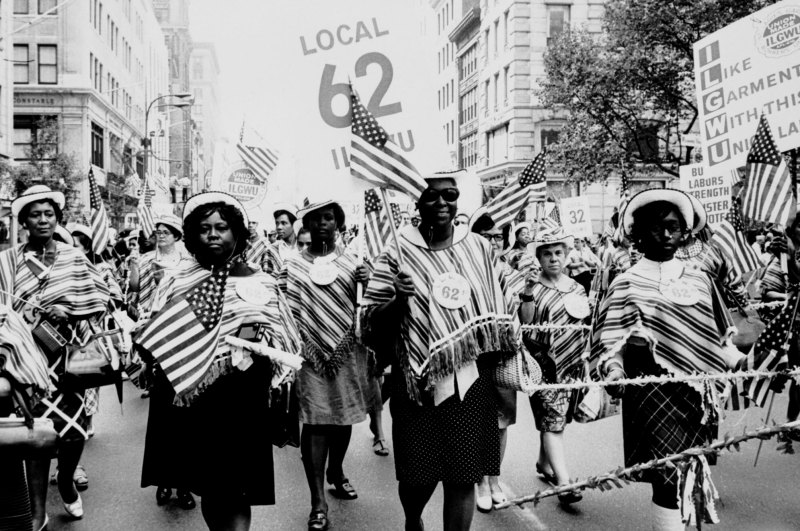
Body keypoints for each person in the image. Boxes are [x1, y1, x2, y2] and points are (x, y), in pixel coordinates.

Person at [363, 171, 527, 531]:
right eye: (431, 196)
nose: (441, 203)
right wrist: (396, 299)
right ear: (417, 202)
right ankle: (412, 519)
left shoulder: (479, 248)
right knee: (417, 478)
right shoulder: (396, 251)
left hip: (470, 380)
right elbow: (370, 323)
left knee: (462, 476)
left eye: (449, 195)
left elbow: (502, 306)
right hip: (415, 382)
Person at [137, 192, 302, 531]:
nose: (213, 234)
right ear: (193, 236)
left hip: (243, 399)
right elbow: (154, 334)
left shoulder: (261, 282)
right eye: (204, 228)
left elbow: (287, 339)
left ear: (237, 234)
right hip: (193, 399)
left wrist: (258, 342)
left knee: (237, 491)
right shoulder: (177, 280)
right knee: (212, 489)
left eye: (222, 227)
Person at [591, 189, 744, 531]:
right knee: (668, 475)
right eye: (657, 227)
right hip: (650, 389)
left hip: (697, 394)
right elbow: (608, 342)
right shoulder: (625, 283)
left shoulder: (702, 280)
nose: (666, 234)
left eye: (673, 227)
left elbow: (721, 340)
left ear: (684, 231)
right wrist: (614, 369)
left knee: (691, 468)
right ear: (639, 233)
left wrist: (746, 364)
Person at [1, 185, 110, 527]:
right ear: (24, 221)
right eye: (36, 214)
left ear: (57, 218)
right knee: (38, 433)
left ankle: (65, 482)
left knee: (74, 432)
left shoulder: (73, 256)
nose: (43, 220)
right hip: (29, 358)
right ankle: (36, 513)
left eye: (49, 214)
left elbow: (100, 298)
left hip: (71, 355)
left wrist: (70, 310)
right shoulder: (7, 260)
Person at [278, 200, 376, 531]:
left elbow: (372, 304)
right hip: (309, 354)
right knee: (317, 423)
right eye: (316, 218)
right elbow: (283, 305)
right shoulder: (291, 265)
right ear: (305, 224)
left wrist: (370, 278)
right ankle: (317, 500)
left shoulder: (355, 262)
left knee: (342, 418)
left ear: (338, 223)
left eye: (329, 217)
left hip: (348, 353)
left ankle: (337, 470)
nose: (323, 223)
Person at [521, 227, 588, 505]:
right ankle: (563, 482)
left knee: (558, 418)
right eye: (547, 254)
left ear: (566, 254)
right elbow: (525, 324)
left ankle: (543, 462)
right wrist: (526, 292)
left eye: (558, 252)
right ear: (539, 257)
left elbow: (584, 325)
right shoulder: (533, 287)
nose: (553, 259)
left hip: (571, 363)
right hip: (542, 364)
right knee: (553, 420)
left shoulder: (577, 287)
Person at [469, 207, 525, 512]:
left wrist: (526, 295)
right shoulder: (465, 269)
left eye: (497, 236)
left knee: (501, 421)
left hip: (504, 355)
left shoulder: (511, 273)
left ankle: (493, 478)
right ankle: (479, 480)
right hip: (474, 357)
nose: (493, 242)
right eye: (486, 235)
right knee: (478, 419)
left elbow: (524, 318)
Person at [129, 215, 193, 319]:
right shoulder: (146, 259)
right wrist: (134, 265)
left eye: (166, 232)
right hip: (148, 315)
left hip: (176, 314)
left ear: (176, 237)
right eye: (158, 232)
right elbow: (135, 288)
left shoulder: (186, 262)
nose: (161, 236)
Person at [264, 204, 299, 275]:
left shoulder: (304, 246)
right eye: (277, 223)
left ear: (294, 224)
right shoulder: (271, 250)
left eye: (284, 223)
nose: (279, 227)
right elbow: (267, 276)